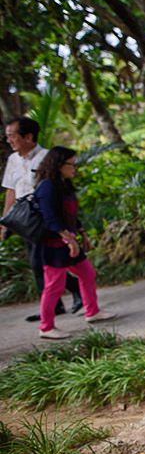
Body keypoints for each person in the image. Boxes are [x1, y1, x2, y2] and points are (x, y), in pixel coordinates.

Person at [2, 117, 82, 322]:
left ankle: (69, 296)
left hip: (45, 216)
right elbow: (11, 190)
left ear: (28, 137)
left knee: (45, 261)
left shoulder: (48, 157)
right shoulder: (13, 160)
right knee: (39, 262)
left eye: (12, 135)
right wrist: (5, 220)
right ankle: (57, 304)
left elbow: (61, 187)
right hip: (24, 218)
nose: (8, 139)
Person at [33, 147, 116, 339]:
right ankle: (46, 327)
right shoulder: (47, 187)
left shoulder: (64, 184)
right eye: (71, 164)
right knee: (54, 285)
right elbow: (50, 218)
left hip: (69, 240)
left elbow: (70, 214)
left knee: (87, 273)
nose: (74, 168)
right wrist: (68, 239)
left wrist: (82, 234)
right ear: (59, 165)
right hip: (54, 244)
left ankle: (92, 312)